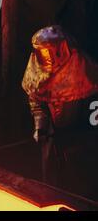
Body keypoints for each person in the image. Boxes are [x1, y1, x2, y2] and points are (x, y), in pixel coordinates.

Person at [22, 25, 98, 183]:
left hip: (81, 132)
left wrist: (88, 129)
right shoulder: (36, 68)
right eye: (43, 53)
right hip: (52, 135)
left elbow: (93, 100)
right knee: (52, 174)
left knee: (81, 176)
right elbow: (36, 102)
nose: (49, 58)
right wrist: (40, 126)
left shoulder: (80, 66)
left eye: (52, 52)